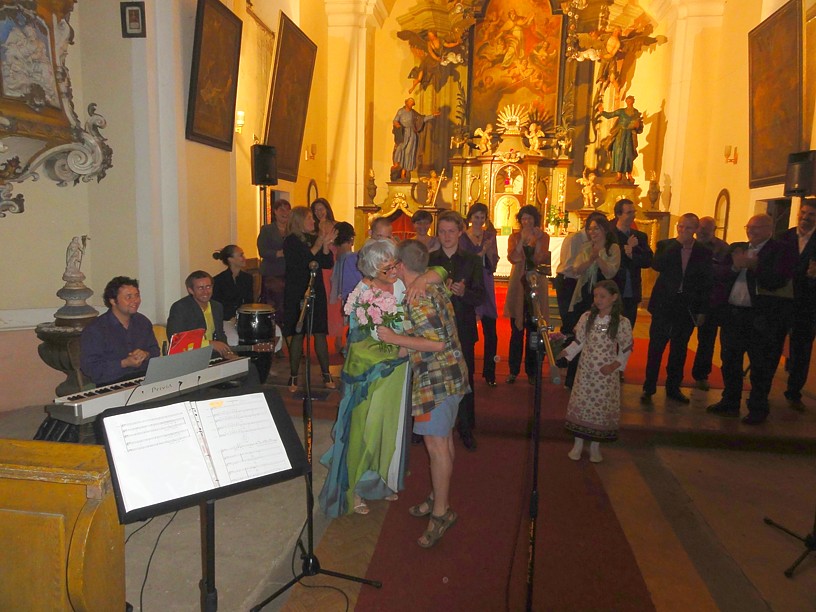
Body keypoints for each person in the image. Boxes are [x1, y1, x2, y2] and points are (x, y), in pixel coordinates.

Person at [377, 239, 469, 548]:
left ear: (402, 265)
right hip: (453, 373)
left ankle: (441, 513)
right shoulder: (431, 283)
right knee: (443, 442)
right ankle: (437, 497)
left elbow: (436, 343)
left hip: (437, 380)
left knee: (437, 446)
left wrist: (394, 337)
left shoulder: (418, 297)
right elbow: (440, 272)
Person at [319, 240, 411, 517]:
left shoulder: (400, 285)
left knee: (386, 429)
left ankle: (377, 482)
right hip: (368, 374)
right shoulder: (362, 293)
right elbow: (358, 343)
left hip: (397, 371)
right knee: (363, 430)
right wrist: (395, 346)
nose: (393, 271)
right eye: (386, 268)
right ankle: (355, 488)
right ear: (371, 270)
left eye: (394, 264)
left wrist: (405, 341)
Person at [707, 214, 797, 425]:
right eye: (749, 227)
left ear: (769, 229)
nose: (751, 231)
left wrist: (754, 266)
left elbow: (779, 279)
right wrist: (734, 267)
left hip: (761, 318)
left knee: (760, 365)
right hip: (733, 315)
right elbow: (718, 273)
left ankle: (758, 407)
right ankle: (730, 401)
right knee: (730, 361)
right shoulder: (737, 248)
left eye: (756, 227)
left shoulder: (780, 250)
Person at [641, 213, 712, 406]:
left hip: (686, 306)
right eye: (680, 226)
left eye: (688, 228)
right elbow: (657, 265)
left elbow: (706, 283)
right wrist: (677, 244)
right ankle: (649, 386)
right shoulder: (666, 245)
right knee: (656, 347)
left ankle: (673, 387)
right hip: (664, 304)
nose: (683, 231)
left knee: (679, 349)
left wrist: (702, 310)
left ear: (695, 230)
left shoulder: (703, 252)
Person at [430, 211, 485, 451]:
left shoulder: (472, 261)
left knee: (465, 377)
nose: (446, 236)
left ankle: (465, 426)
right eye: (442, 231)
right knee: (434, 374)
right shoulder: (430, 260)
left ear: (460, 232)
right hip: (435, 328)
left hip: (462, 325)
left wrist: (464, 293)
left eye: (451, 231)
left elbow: (480, 296)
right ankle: (429, 424)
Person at [561, 280, 633, 463]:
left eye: (603, 296)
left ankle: (595, 446)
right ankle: (577, 444)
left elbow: (626, 348)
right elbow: (580, 341)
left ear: (614, 297)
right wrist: (564, 353)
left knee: (600, 406)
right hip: (586, 370)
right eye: (595, 296)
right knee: (582, 403)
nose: (598, 300)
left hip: (604, 373)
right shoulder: (587, 317)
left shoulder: (621, 322)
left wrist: (614, 366)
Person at [282, 206, 338, 393]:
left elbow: (326, 263)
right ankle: (293, 376)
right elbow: (303, 262)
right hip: (297, 290)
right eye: (309, 218)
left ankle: (326, 373)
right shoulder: (290, 241)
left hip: (316, 289)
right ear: (299, 221)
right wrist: (319, 243)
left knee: (319, 331)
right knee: (298, 333)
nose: (313, 221)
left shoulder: (314, 238)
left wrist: (325, 246)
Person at [565, 215, 620, 388]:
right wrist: (590, 258)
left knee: (601, 336)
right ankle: (573, 379)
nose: (592, 232)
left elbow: (611, 272)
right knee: (580, 334)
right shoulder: (586, 247)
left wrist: (598, 258)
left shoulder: (613, 248)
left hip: (604, 298)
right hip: (585, 295)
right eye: (589, 229)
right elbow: (576, 269)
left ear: (604, 229)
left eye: (596, 228)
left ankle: (599, 378)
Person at [80, 276, 160, 386]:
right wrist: (124, 363)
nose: (135, 301)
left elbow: (155, 350)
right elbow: (91, 368)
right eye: (128, 297)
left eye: (137, 295)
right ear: (113, 301)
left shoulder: (143, 322)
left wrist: (146, 354)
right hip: (112, 383)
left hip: (143, 379)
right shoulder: (96, 329)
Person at [503, 205, 550, 384]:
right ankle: (513, 370)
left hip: (536, 282)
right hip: (518, 282)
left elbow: (539, 259)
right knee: (516, 329)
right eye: (523, 218)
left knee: (534, 328)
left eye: (530, 218)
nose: (527, 221)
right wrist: (522, 241)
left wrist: (535, 241)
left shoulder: (543, 236)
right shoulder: (514, 237)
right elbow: (513, 258)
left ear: (535, 219)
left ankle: (532, 371)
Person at [779, 199, 816, 410]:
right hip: (782, 301)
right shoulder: (785, 236)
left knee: (801, 350)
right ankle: (762, 389)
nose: (805, 217)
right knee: (772, 344)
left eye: (811, 214)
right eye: (803, 213)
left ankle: (794, 392)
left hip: (808, 304)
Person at [460, 203, 499, 386]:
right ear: (470, 217)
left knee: (491, 331)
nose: (479, 220)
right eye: (476, 217)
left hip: (486, 280)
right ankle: (468, 372)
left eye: (482, 217)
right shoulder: (463, 237)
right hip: (470, 283)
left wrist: (489, 254)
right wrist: (482, 251)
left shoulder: (490, 236)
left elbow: (495, 260)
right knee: (469, 331)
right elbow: (464, 260)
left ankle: (490, 373)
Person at [691, 216, 730, 390]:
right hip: (689, 298)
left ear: (714, 230)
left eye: (705, 230)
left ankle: (701, 375)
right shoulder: (689, 244)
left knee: (706, 340)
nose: (701, 232)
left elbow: (725, 273)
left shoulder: (723, 248)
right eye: (699, 229)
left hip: (710, 300)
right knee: (680, 337)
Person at [167, 270, 232, 359]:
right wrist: (209, 344)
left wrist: (228, 352)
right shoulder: (180, 308)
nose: (205, 292)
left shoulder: (217, 306)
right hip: (190, 357)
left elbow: (220, 334)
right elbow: (176, 340)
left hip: (214, 355)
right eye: (200, 288)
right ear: (191, 290)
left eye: (208, 287)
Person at [612, 198, 653, 329]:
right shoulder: (610, 235)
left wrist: (632, 255)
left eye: (633, 212)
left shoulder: (640, 236)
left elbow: (648, 260)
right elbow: (610, 259)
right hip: (613, 288)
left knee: (628, 328)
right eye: (629, 212)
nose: (633, 215)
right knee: (611, 328)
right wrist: (626, 250)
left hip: (632, 290)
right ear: (618, 214)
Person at [341, 217, 395, 303]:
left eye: (387, 238)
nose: (382, 241)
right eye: (379, 236)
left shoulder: (394, 262)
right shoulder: (353, 260)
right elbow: (348, 294)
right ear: (370, 233)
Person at [257, 199, 292, 328]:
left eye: (287, 209)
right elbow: (262, 250)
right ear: (275, 212)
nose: (285, 212)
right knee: (274, 305)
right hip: (272, 273)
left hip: (289, 273)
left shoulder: (293, 230)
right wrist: (278, 253)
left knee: (287, 304)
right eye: (281, 209)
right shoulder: (267, 229)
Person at [212, 245, 254, 344]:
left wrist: (243, 317)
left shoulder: (247, 278)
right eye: (241, 255)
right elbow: (216, 304)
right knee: (233, 337)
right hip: (225, 319)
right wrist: (230, 317)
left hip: (242, 318)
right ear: (230, 259)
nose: (244, 258)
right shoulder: (218, 280)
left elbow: (249, 301)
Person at [392, 98, 439, 181]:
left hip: (412, 134)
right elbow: (395, 120)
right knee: (400, 148)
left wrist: (432, 116)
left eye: (412, 103)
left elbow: (422, 119)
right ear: (406, 103)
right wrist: (397, 125)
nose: (411, 104)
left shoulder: (413, 113)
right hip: (403, 133)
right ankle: (396, 164)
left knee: (408, 153)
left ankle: (404, 172)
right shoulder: (401, 111)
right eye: (410, 102)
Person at [598, 95, 642, 183]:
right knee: (619, 152)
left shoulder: (636, 112)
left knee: (629, 153)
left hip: (630, 135)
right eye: (628, 100)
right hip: (620, 134)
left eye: (631, 100)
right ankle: (619, 174)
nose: (629, 102)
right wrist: (602, 112)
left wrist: (637, 126)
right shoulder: (621, 111)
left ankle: (629, 174)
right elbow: (610, 115)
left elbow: (639, 126)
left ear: (633, 101)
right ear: (626, 101)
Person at [328, 221, 355, 355]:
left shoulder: (335, 253)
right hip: (350, 290)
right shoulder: (350, 256)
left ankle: (344, 344)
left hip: (339, 290)